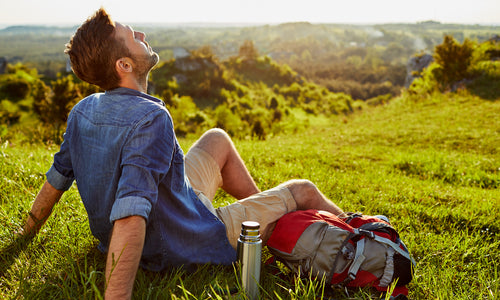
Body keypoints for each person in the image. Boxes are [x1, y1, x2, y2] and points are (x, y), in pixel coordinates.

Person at [20, 8, 344, 299]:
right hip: (181, 242)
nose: (142, 36)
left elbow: (56, 180)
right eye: (133, 37)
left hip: (175, 208)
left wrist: (24, 235)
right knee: (303, 190)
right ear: (124, 65)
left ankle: (263, 232)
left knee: (216, 139)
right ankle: (364, 235)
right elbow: (132, 212)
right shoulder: (151, 118)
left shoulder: (82, 111)